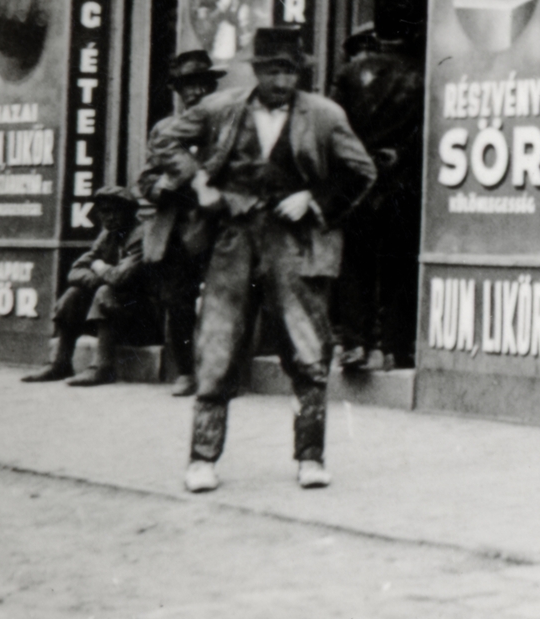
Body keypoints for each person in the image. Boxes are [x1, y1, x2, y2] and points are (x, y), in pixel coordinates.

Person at [148, 26, 375, 494]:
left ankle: (310, 457)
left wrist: (314, 197)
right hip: (233, 241)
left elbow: (361, 171)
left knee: (309, 350)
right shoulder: (222, 108)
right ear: (256, 70)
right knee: (217, 346)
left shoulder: (325, 116)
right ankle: (202, 459)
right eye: (273, 69)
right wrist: (200, 185)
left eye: (291, 70)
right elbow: (165, 142)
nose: (283, 79)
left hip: (295, 245)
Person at [328, 18, 424, 371]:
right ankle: (396, 347)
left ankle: (355, 343)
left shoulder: (350, 75)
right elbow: (425, 132)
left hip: (359, 182)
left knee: (355, 264)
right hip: (402, 182)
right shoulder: (422, 74)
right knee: (399, 265)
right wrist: (399, 157)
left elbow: (333, 125)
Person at [134, 48, 225, 396]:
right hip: (175, 229)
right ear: (178, 91)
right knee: (178, 303)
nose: (196, 92)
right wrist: (163, 186)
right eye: (188, 85)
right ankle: (186, 371)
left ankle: (219, 372)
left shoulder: (227, 126)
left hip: (216, 225)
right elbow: (144, 180)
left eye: (201, 84)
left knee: (223, 301)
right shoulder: (165, 129)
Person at [22, 185, 147, 386]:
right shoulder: (108, 235)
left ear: (129, 212)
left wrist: (98, 266)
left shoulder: (141, 236)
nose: (110, 217)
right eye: (104, 212)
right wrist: (100, 276)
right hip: (112, 314)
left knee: (106, 292)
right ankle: (60, 363)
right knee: (74, 295)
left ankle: (102, 367)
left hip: (143, 319)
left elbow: (118, 278)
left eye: (116, 211)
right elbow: (76, 270)